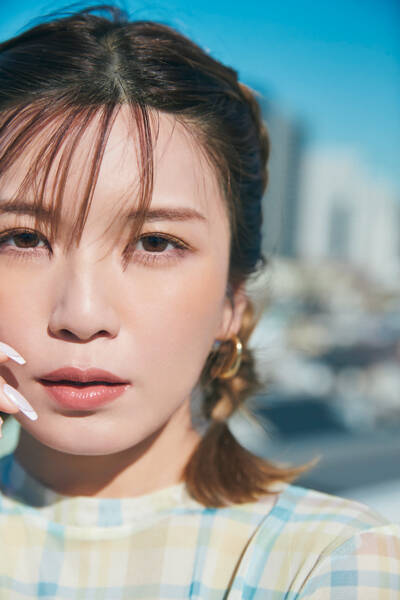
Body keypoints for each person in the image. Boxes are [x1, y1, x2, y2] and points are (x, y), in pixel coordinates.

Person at [0, 5, 398, 599]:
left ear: (232, 299)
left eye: (155, 243)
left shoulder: (333, 562)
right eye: (23, 239)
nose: (82, 316)